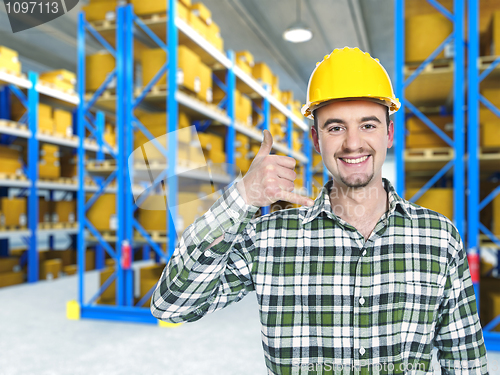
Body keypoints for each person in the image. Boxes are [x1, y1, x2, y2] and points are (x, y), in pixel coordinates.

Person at [151, 47, 488, 374]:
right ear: (316, 139)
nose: (353, 143)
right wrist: (241, 196)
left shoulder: (438, 238)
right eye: (336, 127)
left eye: (368, 125)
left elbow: (465, 359)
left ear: (389, 133)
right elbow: (172, 305)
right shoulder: (271, 238)